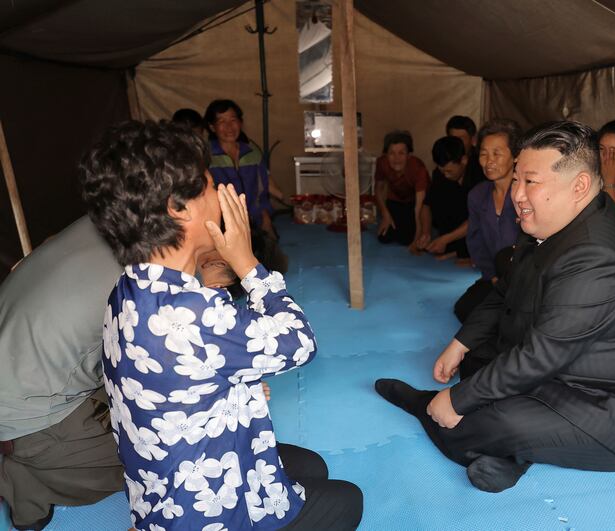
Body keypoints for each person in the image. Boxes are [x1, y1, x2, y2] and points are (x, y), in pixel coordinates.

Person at [79, 120, 362, 530]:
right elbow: (301, 342)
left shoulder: (127, 289)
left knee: (311, 466)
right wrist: (247, 262)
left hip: (163, 487)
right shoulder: (195, 314)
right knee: (348, 501)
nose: (220, 193)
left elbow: (197, 367)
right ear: (179, 208)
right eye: (211, 185)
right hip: (208, 509)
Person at [375, 121, 615, 493]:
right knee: (475, 360)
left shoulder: (598, 256)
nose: (517, 195)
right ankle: (511, 456)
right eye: (516, 179)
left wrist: (454, 401)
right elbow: (506, 291)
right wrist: (461, 343)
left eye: (531, 182)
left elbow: (540, 356)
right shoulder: (548, 219)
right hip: (569, 367)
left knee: (476, 422)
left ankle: (424, 405)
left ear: (579, 186)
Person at [0, 216, 124, 530]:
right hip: (26, 408)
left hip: (19, 358)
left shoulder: (104, 216)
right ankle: (26, 476)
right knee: (156, 456)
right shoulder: (154, 285)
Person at [204, 99, 288, 273]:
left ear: (240, 123)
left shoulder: (252, 152)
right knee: (229, 274)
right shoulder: (206, 156)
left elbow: (265, 184)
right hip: (223, 225)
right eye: (221, 121)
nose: (229, 127)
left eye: (233, 119)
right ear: (212, 127)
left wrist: (287, 203)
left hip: (256, 221)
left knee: (270, 268)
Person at [453, 119, 521, 323]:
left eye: (497, 154)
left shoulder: (526, 194)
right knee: (465, 309)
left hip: (524, 279)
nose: (489, 161)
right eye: (484, 154)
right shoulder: (477, 195)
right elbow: (476, 240)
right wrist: (491, 276)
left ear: (515, 156)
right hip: (494, 278)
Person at [413, 136, 470, 260]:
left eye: (449, 171)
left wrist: (445, 239)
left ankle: (459, 251)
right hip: (449, 228)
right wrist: (426, 232)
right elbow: (427, 205)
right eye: (443, 171)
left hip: (471, 228)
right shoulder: (439, 175)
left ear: (464, 160)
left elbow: (478, 219)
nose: (446, 175)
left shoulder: (478, 176)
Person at [375, 130, 430, 250]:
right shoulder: (381, 163)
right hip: (394, 199)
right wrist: (385, 214)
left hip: (414, 203)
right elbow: (378, 189)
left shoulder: (418, 169)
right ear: (385, 154)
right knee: (383, 237)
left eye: (401, 153)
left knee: (406, 239)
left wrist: (417, 238)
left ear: (409, 155)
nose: (396, 158)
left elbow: (420, 207)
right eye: (392, 153)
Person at [445, 115, 485, 191]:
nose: (455, 144)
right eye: (452, 139)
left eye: (460, 139)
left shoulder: (481, 164)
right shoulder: (443, 162)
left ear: (473, 140)